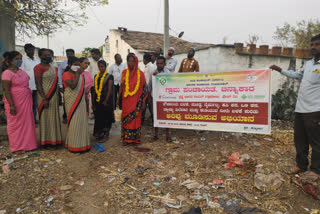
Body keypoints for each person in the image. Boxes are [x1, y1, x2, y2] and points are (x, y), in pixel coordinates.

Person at [269, 33, 320, 182]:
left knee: (316, 142)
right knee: (300, 139)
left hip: (315, 110)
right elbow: (298, 75)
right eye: (312, 45)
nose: (313, 47)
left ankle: (316, 171)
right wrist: (280, 70)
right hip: (301, 109)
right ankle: (301, 165)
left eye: (317, 44)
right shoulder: (309, 63)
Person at [1, 51, 37, 152]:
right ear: (10, 60)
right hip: (14, 101)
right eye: (17, 59)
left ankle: (29, 145)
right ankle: (17, 147)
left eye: (20, 59)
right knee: (15, 123)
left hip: (25, 100)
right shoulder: (7, 73)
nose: (19, 61)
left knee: (27, 123)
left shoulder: (21, 71)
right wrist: (12, 105)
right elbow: (6, 90)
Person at [34, 48, 62, 147]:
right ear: (40, 56)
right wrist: (44, 98)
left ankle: (55, 140)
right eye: (45, 55)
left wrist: (59, 96)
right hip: (44, 96)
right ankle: (46, 142)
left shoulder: (54, 67)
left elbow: (57, 83)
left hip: (54, 95)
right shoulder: (38, 67)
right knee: (45, 118)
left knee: (53, 117)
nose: (47, 57)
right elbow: (38, 84)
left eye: (49, 55)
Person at [118, 54, 148, 145]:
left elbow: (144, 89)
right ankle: (126, 139)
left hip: (136, 102)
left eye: (133, 61)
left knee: (135, 120)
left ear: (136, 62)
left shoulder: (141, 74)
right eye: (129, 61)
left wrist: (143, 102)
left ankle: (135, 139)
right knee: (126, 120)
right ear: (127, 62)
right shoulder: (124, 73)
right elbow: (122, 86)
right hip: (126, 102)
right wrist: (117, 98)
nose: (131, 63)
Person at [62, 56, 90, 153]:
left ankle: (83, 144)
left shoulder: (81, 75)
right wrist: (77, 74)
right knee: (74, 122)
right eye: (75, 65)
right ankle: (74, 145)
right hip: (71, 101)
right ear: (70, 65)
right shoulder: (66, 74)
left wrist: (87, 103)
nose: (77, 67)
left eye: (79, 65)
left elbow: (83, 90)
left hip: (81, 101)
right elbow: (73, 86)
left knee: (81, 122)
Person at [148, 56, 171, 141]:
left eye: (161, 63)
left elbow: (170, 85)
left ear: (164, 64)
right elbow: (150, 86)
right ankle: (156, 134)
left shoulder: (168, 73)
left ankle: (168, 135)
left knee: (166, 116)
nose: (159, 65)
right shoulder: (153, 73)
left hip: (165, 97)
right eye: (157, 63)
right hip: (155, 98)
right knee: (155, 115)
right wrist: (149, 98)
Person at [92, 60, 114, 140]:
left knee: (106, 117)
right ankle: (98, 133)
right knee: (98, 117)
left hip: (106, 100)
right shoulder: (96, 76)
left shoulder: (109, 76)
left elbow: (109, 89)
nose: (101, 68)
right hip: (97, 99)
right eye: (99, 66)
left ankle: (105, 134)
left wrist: (106, 100)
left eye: (102, 66)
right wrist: (93, 102)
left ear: (105, 67)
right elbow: (94, 89)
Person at [20, 43, 40, 122]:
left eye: (32, 50)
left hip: (37, 86)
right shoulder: (23, 61)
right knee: (28, 104)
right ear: (26, 51)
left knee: (35, 104)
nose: (31, 51)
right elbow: (21, 73)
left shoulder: (37, 61)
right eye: (29, 50)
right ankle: (28, 120)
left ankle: (34, 119)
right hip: (28, 86)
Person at [58, 49, 75, 123]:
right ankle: (65, 116)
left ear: (73, 54)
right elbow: (59, 75)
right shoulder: (63, 64)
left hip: (75, 84)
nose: (69, 55)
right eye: (68, 54)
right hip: (66, 85)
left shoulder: (76, 63)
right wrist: (61, 86)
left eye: (71, 54)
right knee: (66, 101)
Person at [141, 53, 156, 124]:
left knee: (149, 105)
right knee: (146, 104)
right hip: (146, 88)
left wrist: (149, 89)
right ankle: (143, 120)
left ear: (145, 59)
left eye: (143, 59)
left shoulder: (151, 67)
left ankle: (153, 120)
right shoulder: (147, 66)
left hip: (149, 89)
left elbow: (152, 78)